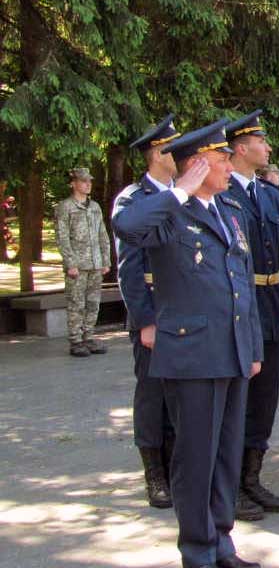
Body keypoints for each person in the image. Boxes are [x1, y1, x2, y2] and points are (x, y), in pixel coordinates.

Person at [112, 118, 264, 568]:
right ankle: (197, 550)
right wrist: (178, 191)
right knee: (195, 459)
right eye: (220, 159)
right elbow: (127, 227)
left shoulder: (231, 211)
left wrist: (253, 347)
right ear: (197, 165)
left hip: (233, 351)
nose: (228, 165)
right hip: (192, 354)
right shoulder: (168, 211)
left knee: (224, 457)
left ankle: (222, 542)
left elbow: (243, 286)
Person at [223, 110, 279, 521]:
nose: (268, 147)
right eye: (261, 141)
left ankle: (252, 478)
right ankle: (229, 484)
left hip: (269, 304)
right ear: (241, 148)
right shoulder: (221, 194)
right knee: (238, 398)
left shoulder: (268, 194)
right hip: (241, 305)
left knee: (264, 400)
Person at [113, 114, 180, 509]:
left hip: (183, 310)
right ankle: (154, 473)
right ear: (158, 153)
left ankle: (174, 467)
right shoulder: (133, 200)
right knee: (152, 396)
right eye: (173, 148)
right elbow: (129, 269)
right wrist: (146, 321)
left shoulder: (180, 195)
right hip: (155, 313)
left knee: (176, 395)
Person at [55, 167, 111, 357]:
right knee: (76, 303)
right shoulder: (66, 207)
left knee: (93, 302)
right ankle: (76, 340)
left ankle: (89, 336)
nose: (88, 184)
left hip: (95, 263)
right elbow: (62, 238)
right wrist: (70, 263)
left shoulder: (94, 207)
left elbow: (102, 234)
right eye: (84, 181)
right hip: (78, 265)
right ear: (74, 183)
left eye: (89, 181)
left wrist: (105, 259)